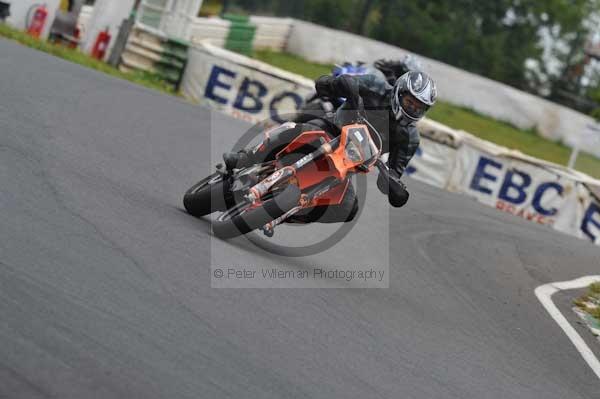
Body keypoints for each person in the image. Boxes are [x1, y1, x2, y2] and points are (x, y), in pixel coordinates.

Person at [223, 70, 437, 223]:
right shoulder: (376, 85)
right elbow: (333, 83)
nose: (412, 109)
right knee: (299, 129)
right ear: (399, 92)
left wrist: (392, 184)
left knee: (348, 207)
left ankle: (288, 213)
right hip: (332, 129)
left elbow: (395, 173)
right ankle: (247, 157)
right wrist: (341, 87)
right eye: (410, 102)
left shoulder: (410, 137)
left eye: (419, 108)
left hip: (347, 164)